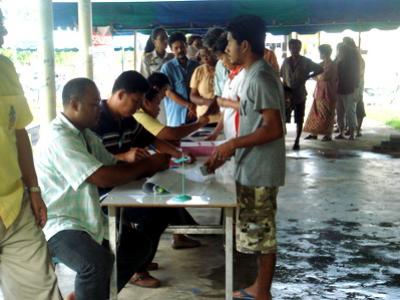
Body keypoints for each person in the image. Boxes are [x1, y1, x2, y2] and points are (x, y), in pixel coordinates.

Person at [35, 77, 171, 299]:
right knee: (96, 263)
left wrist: (149, 166)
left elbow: (113, 165)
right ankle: (90, 293)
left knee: (138, 245)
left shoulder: (86, 135)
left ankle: (88, 295)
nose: (99, 109)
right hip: (58, 223)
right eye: (93, 104)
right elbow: (101, 177)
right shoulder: (59, 137)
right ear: (74, 104)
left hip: (87, 217)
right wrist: (147, 165)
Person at [205, 15, 286, 300]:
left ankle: (262, 291)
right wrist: (229, 149)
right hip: (252, 166)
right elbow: (253, 118)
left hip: (260, 170)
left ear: (245, 45)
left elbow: (273, 127)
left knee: (262, 233)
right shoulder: (251, 75)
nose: (226, 48)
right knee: (256, 230)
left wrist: (233, 144)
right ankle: (258, 287)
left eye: (229, 42)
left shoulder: (260, 76)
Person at [93, 71, 201, 256]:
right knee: (154, 214)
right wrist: (123, 156)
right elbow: (92, 162)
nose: (137, 108)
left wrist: (177, 153)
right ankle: (138, 266)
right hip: (104, 192)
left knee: (165, 204)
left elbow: (150, 139)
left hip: (128, 182)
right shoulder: (96, 120)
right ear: (120, 95)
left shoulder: (128, 120)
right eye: (135, 102)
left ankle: (142, 260)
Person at [0, 10, 62, 300]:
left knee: (42, 291)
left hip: (15, 206)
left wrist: (33, 188)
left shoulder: (5, 68)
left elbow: (19, 132)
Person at [134, 72, 210, 141]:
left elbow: (159, 139)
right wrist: (199, 123)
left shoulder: (146, 112)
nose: (166, 93)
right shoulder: (140, 115)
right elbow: (172, 134)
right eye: (165, 89)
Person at [280, 38, 323, 150]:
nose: (295, 49)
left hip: (300, 94)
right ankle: (281, 141)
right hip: (287, 95)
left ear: (300, 48)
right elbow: (281, 75)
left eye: (297, 47)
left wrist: (308, 76)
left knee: (299, 119)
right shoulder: (286, 61)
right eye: (293, 47)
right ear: (289, 48)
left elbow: (320, 68)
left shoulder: (305, 61)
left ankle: (297, 141)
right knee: (283, 118)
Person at [206, 34, 245, 141]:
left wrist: (225, 103)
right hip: (231, 138)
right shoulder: (230, 77)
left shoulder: (244, 75)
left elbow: (248, 108)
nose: (222, 63)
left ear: (229, 54)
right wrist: (215, 133)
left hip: (240, 138)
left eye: (222, 58)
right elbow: (225, 112)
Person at [161, 32, 199, 126]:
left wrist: (194, 107)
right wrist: (189, 105)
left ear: (186, 46)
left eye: (182, 47)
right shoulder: (167, 68)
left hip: (195, 114)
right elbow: (168, 92)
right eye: (176, 48)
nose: (180, 50)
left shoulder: (195, 66)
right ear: (171, 49)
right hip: (177, 116)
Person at [303, 44, 338, 141]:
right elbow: (315, 73)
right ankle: (314, 133)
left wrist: (316, 76)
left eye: (320, 53)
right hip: (319, 92)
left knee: (327, 114)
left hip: (328, 93)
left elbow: (324, 77)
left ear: (324, 53)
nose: (319, 55)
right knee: (316, 112)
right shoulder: (323, 63)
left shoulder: (332, 65)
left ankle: (328, 135)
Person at [335, 43, 360, 140]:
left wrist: (356, 89)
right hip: (340, 89)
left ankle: (352, 133)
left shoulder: (352, 63)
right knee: (340, 112)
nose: (339, 53)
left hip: (350, 90)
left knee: (350, 112)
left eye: (340, 51)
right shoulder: (339, 62)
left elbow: (356, 77)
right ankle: (342, 132)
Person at [190, 46, 220, 123]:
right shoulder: (199, 71)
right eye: (203, 56)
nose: (205, 59)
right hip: (204, 118)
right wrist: (208, 102)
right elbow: (192, 96)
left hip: (222, 117)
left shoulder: (223, 68)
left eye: (208, 55)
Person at [343, 37, 366, 137]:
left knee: (356, 106)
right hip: (353, 84)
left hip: (356, 84)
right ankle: (351, 128)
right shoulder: (352, 56)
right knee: (350, 108)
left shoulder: (356, 57)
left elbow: (359, 74)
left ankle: (356, 129)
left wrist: (357, 87)